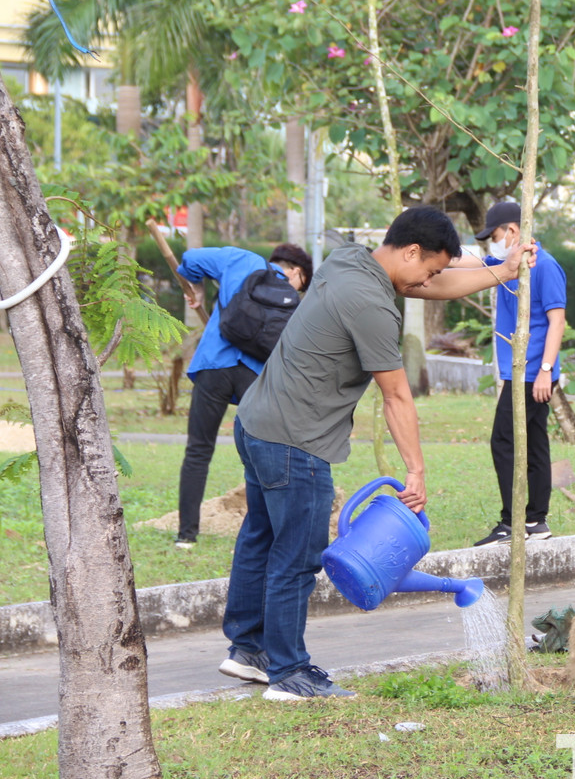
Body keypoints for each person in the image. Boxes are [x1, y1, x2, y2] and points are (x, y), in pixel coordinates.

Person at [221, 207, 532, 700]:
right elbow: (396, 396)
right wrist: (416, 469)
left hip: (258, 421)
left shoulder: (350, 261)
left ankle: (248, 650)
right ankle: (288, 673)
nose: (429, 280)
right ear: (411, 251)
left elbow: (429, 283)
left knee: (261, 537)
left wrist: (502, 270)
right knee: (296, 556)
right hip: (295, 441)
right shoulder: (371, 304)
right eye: (429, 267)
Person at [174, 243, 313, 548]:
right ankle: (265, 530)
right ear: (296, 272)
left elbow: (189, 260)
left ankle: (186, 535)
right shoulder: (294, 300)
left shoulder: (241, 259)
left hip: (213, 366)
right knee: (260, 456)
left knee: (198, 450)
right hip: (254, 375)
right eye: (302, 283)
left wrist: (196, 289)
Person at [468, 201, 568, 546]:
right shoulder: (508, 264)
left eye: (495, 236)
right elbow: (474, 264)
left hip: (534, 373)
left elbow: (558, 321)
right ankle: (536, 521)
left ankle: (514, 522)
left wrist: (545, 371)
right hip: (519, 372)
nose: (493, 244)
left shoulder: (546, 266)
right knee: (534, 442)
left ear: (512, 231)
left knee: (504, 441)